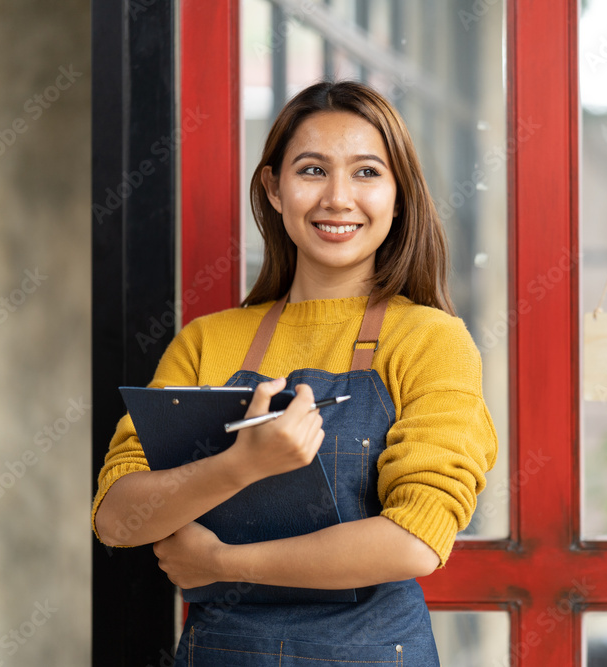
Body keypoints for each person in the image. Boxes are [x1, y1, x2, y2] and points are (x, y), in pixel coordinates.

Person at [91, 79, 498, 666]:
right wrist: (241, 465)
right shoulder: (208, 341)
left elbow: (415, 541)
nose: (338, 198)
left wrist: (221, 565)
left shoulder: (431, 340)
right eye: (312, 170)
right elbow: (116, 517)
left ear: (399, 196)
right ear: (274, 189)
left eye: (366, 173)